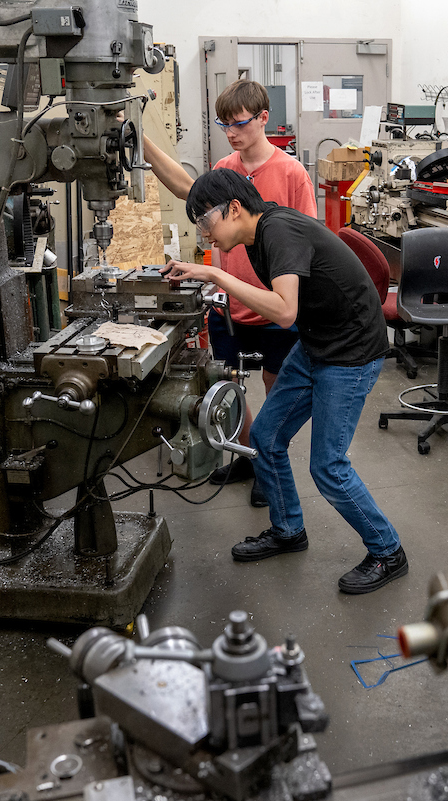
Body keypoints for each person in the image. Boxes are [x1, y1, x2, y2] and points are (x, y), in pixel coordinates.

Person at [161, 169, 408, 595]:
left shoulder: (279, 233)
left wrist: (217, 276)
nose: (205, 234)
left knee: (328, 466)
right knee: (266, 437)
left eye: (206, 223)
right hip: (318, 343)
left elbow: (284, 311)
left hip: (351, 353)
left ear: (234, 209)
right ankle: (288, 529)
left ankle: (388, 552)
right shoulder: (256, 234)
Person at [143, 80, 316, 508]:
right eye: (224, 125)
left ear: (263, 118)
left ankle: (269, 461)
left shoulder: (291, 173)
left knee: (277, 391)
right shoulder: (225, 167)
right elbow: (187, 188)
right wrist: (141, 142)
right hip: (230, 306)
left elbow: (307, 239)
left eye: (239, 123)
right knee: (230, 386)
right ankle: (248, 458)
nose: (232, 133)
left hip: (276, 307)